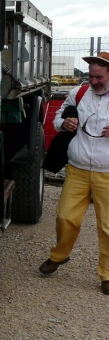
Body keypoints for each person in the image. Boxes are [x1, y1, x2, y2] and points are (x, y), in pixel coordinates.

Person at [39, 51, 109, 295]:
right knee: (65, 217)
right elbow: (58, 117)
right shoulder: (78, 93)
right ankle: (59, 255)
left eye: (98, 77)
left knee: (108, 226)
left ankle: (107, 274)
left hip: (107, 173)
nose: (94, 81)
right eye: (91, 76)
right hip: (77, 169)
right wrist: (64, 123)